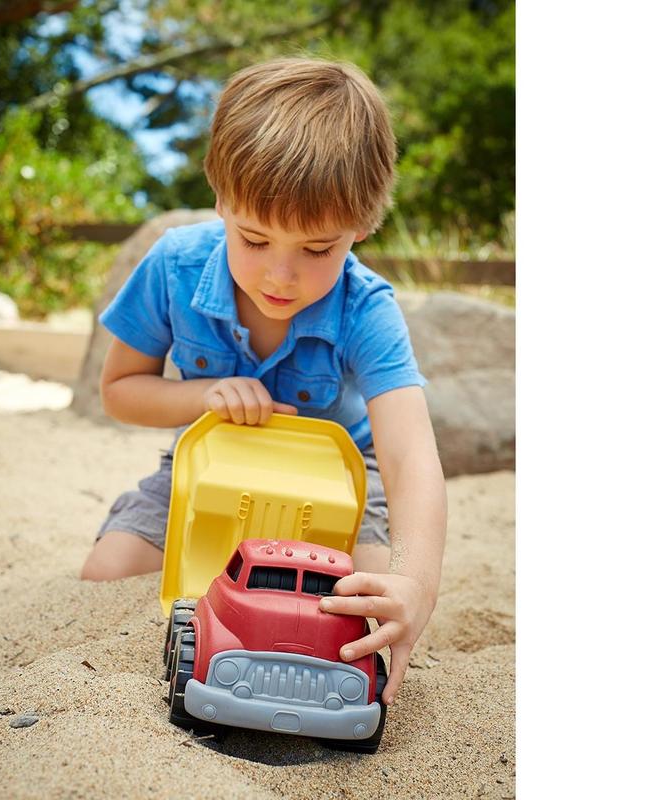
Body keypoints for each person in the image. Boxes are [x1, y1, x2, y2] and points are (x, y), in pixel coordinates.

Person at [81, 57, 447, 706]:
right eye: (253, 238)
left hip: (340, 484)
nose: (281, 276)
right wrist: (201, 396)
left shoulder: (367, 307)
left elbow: (411, 455)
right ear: (221, 199)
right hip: (210, 465)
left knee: (372, 597)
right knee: (104, 576)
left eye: (316, 250)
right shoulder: (174, 265)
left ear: (360, 229)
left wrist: (414, 584)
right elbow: (120, 390)